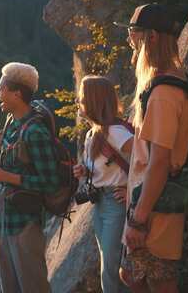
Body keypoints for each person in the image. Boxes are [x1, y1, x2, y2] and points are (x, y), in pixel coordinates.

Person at [114, 4, 188, 293]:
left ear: (151, 38)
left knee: (155, 282)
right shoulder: (168, 83)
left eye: (133, 32)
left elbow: (160, 162)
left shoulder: (163, 94)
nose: (129, 40)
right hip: (154, 202)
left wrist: (137, 220)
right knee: (134, 276)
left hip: (156, 208)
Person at [0, 62, 59, 293]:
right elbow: (15, 164)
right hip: (4, 222)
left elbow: (50, 182)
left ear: (17, 93)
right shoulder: (12, 124)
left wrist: (5, 176)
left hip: (25, 224)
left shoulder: (35, 132)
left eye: (1, 87)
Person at [73, 75, 133, 293]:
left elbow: (148, 158)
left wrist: (133, 191)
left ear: (93, 101)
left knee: (112, 265)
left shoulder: (115, 132)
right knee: (109, 263)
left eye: (81, 98)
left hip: (116, 204)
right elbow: (102, 168)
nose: (78, 102)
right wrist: (84, 170)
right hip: (100, 204)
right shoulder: (92, 134)